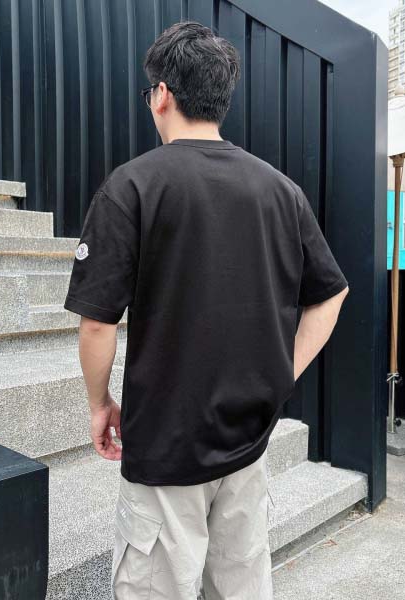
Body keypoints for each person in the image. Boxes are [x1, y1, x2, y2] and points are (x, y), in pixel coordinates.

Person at [63, 20, 349, 600]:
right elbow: (331, 294)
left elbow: (97, 322)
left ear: (162, 94)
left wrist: (99, 404)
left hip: (164, 448)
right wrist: (283, 372)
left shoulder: (132, 186)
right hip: (248, 442)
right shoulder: (280, 190)